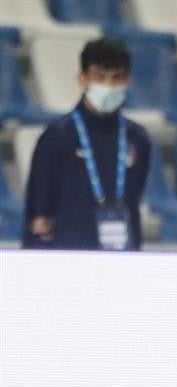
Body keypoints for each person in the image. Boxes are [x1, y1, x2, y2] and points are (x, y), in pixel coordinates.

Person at [23, 37, 150, 250]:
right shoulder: (57, 137)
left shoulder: (137, 139)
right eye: (99, 77)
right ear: (82, 79)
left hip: (123, 256)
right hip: (68, 256)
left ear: (128, 80)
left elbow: (134, 198)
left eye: (116, 78)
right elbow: (38, 211)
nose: (108, 86)